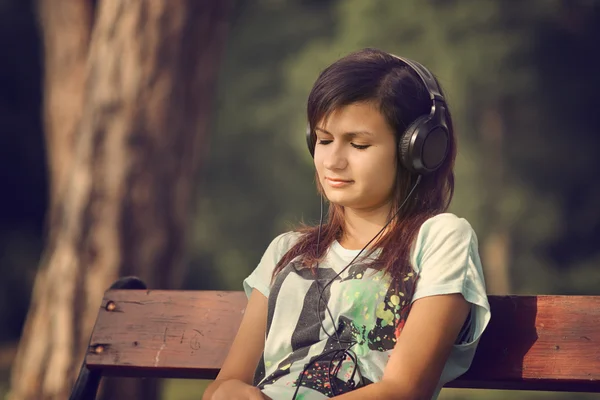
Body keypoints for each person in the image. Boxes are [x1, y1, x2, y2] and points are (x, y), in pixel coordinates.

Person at [203, 48, 490, 400]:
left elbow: (403, 390)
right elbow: (226, 381)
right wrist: (230, 392)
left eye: (358, 144)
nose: (333, 161)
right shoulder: (286, 250)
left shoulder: (441, 239)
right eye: (324, 140)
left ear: (417, 149)